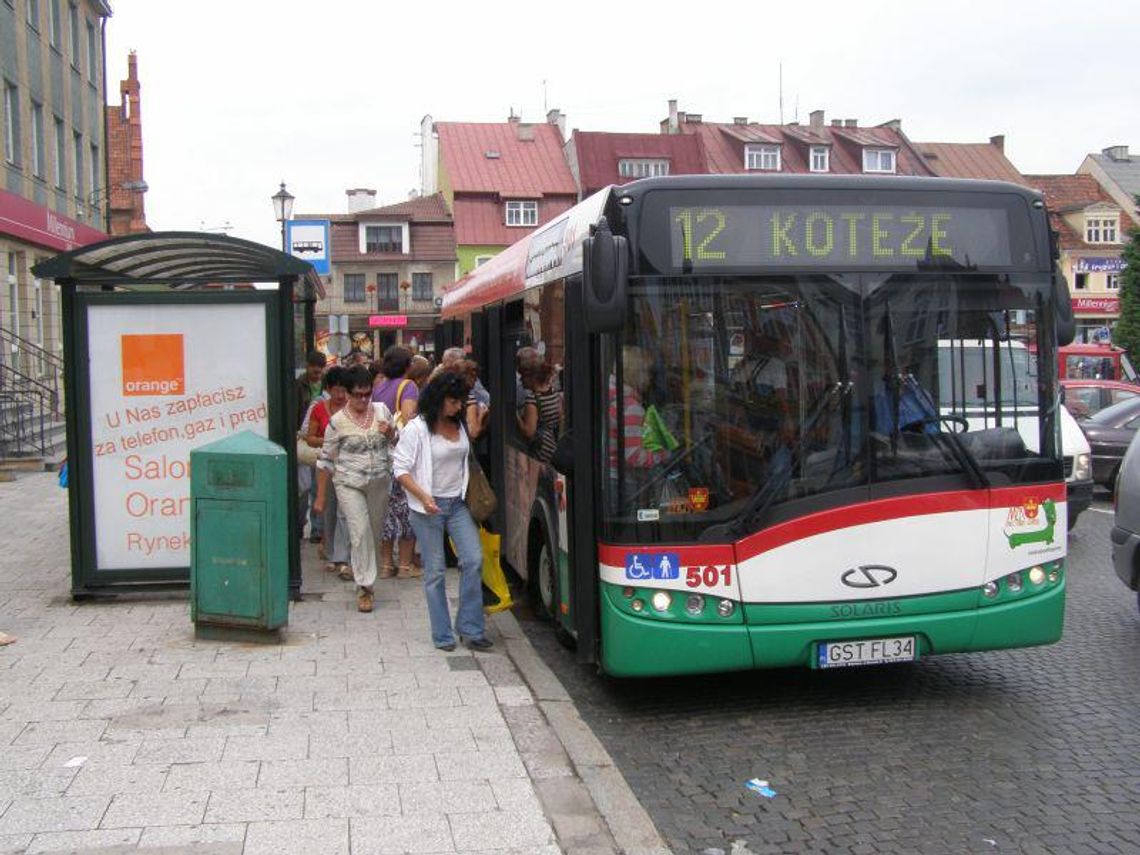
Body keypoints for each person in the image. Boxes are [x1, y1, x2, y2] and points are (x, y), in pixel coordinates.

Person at [393, 372, 491, 652]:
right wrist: (423, 496)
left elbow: (468, 447)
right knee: (435, 571)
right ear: (437, 400)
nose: (458, 406)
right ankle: (442, 635)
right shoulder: (417, 429)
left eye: (460, 401)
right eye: (452, 401)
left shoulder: (459, 424)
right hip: (427, 507)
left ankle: (470, 628)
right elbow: (399, 468)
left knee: (473, 559)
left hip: (457, 503)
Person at [314, 366, 396, 613]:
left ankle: (363, 571)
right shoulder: (336, 422)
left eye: (366, 394)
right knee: (359, 532)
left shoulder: (382, 411)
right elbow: (325, 460)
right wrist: (320, 497)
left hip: (379, 480)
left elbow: (397, 442)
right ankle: (365, 587)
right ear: (348, 394)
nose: (363, 399)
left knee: (373, 530)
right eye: (358, 394)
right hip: (349, 482)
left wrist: (390, 432)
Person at [372, 346, 422, 580]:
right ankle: (404, 566)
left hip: (381, 457)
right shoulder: (408, 386)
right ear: (407, 365)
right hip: (401, 456)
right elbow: (409, 417)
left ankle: (385, 565)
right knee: (406, 511)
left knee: (385, 512)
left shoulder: (378, 387)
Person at [304, 366, 352, 579]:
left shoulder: (353, 408)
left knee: (345, 511)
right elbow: (310, 437)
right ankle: (332, 552)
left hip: (350, 467)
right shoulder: (319, 409)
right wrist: (330, 440)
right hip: (326, 467)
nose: (341, 396)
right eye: (337, 390)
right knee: (328, 511)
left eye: (344, 390)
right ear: (329, 389)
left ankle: (343, 556)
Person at [295, 350, 327, 543]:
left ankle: (317, 528)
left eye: (319, 372)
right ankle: (299, 524)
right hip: (302, 438)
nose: (316, 376)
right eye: (314, 372)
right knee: (303, 486)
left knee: (317, 485)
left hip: (317, 440)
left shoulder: (325, 385)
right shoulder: (298, 386)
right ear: (307, 367)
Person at [516, 355, 560, 462]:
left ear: (533, 378)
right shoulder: (553, 393)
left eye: (523, 376)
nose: (521, 380)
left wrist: (516, 415)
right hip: (553, 447)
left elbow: (529, 432)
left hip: (540, 452)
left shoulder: (533, 399)